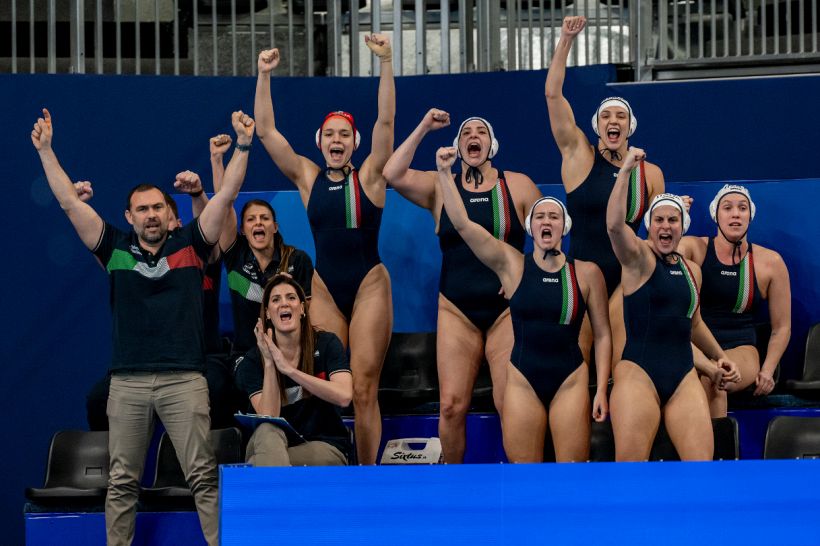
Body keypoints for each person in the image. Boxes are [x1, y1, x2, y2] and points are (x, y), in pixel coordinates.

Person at [32, 107, 254, 545]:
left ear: (168, 214)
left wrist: (244, 146)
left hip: (185, 380)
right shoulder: (113, 249)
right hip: (128, 383)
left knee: (204, 479)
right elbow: (68, 202)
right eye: (142, 209)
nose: (151, 214)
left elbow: (227, 195)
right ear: (129, 216)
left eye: (157, 207)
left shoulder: (191, 243)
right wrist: (45, 150)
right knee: (121, 484)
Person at [254, 35, 394, 464]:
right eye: (330, 134)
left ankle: (366, 477)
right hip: (326, 287)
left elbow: (385, 124)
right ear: (320, 142)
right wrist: (263, 74)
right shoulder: (307, 176)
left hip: (369, 284)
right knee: (321, 381)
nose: (338, 140)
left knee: (365, 386)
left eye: (345, 135)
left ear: (354, 143)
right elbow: (265, 131)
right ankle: (324, 460)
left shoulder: (370, 175)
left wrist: (386, 62)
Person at [383, 110, 541, 463]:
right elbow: (391, 173)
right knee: (452, 406)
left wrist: (522, 275)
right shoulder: (442, 187)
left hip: (505, 313)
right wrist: (423, 126)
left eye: (481, 131)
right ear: (458, 145)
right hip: (456, 309)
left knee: (508, 402)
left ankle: (520, 482)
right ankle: (452, 485)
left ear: (492, 144)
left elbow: (551, 237)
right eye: (466, 132)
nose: (473, 136)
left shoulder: (518, 186)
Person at [434, 146, 610, 462]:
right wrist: (446, 174)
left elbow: (603, 335)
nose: (546, 222)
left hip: (571, 380)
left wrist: (600, 390)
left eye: (554, 216)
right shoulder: (512, 266)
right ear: (530, 227)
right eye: (539, 216)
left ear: (563, 227)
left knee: (570, 476)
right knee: (523, 477)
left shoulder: (586, 273)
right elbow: (462, 224)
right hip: (522, 381)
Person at [545, 15, 665, 370]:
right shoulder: (579, 156)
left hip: (626, 278)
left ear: (630, 126)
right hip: (583, 275)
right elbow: (552, 94)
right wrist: (566, 38)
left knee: (618, 364)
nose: (614, 122)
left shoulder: (650, 173)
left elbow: (660, 235)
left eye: (621, 117)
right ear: (598, 126)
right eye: (607, 117)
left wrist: (677, 212)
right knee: (580, 365)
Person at [606, 147, 740, 461]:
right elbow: (614, 226)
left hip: (682, 373)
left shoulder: (691, 269)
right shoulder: (637, 258)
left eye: (673, 220)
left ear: (683, 226)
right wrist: (626, 169)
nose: (666, 226)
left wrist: (720, 357)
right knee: (631, 474)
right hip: (637, 372)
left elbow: (693, 324)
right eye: (659, 220)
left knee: (700, 469)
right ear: (649, 226)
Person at [678, 184, 791, 416]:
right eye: (727, 208)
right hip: (695, 346)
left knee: (717, 375)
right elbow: (658, 257)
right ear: (715, 215)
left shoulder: (769, 262)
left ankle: (718, 451)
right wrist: (676, 216)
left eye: (742, 208)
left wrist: (768, 370)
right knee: (700, 376)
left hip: (741, 347)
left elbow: (782, 327)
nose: (736, 214)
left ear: (751, 215)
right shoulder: (695, 248)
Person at [234, 275, 353, 466]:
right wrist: (270, 363)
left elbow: (344, 395)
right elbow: (268, 417)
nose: (284, 304)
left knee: (256, 465)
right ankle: (279, 485)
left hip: (323, 445)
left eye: (291, 297)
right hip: (270, 445)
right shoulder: (253, 361)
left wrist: (290, 370)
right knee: (266, 430)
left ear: (302, 308)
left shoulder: (327, 343)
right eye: (275, 299)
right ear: (267, 313)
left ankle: (269, 480)